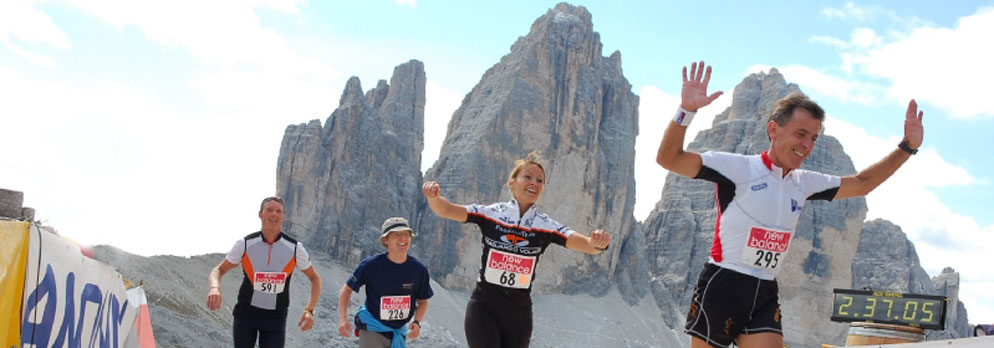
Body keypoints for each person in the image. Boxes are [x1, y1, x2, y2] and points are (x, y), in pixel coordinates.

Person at [656, 61, 924, 348]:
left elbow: (862, 183)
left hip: (765, 288)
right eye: (800, 134)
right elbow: (669, 159)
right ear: (773, 129)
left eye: (813, 138)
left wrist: (907, 147)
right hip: (724, 282)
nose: (807, 145)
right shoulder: (737, 168)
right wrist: (687, 111)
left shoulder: (805, 182)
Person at [422, 151, 612, 348]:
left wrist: (597, 243)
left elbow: (586, 244)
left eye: (540, 180)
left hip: (518, 314)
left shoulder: (545, 225)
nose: (534, 183)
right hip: (483, 306)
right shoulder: (491, 213)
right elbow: (447, 209)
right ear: (512, 183)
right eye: (528, 177)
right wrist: (434, 198)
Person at [206, 196, 322, 348]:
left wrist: (309, 310)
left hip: (275, 318)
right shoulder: (245, 244)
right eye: (269, 210)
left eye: (278, 211)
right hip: (246, 315)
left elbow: (315, 279)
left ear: (283, 216)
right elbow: (218, 270)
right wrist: (215, 288)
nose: (274, 214)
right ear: (260, 214)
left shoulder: (295, 248)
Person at [337, 217, 433, 348]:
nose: (402, 239)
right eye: (396, 235)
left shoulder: (419, 269)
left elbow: (423, 301)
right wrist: (343, 319)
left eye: (406, 234)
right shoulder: (370, 265)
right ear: (385, 240)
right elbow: (346, 289)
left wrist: (417, 322)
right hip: (372, 327)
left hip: (399, 332)